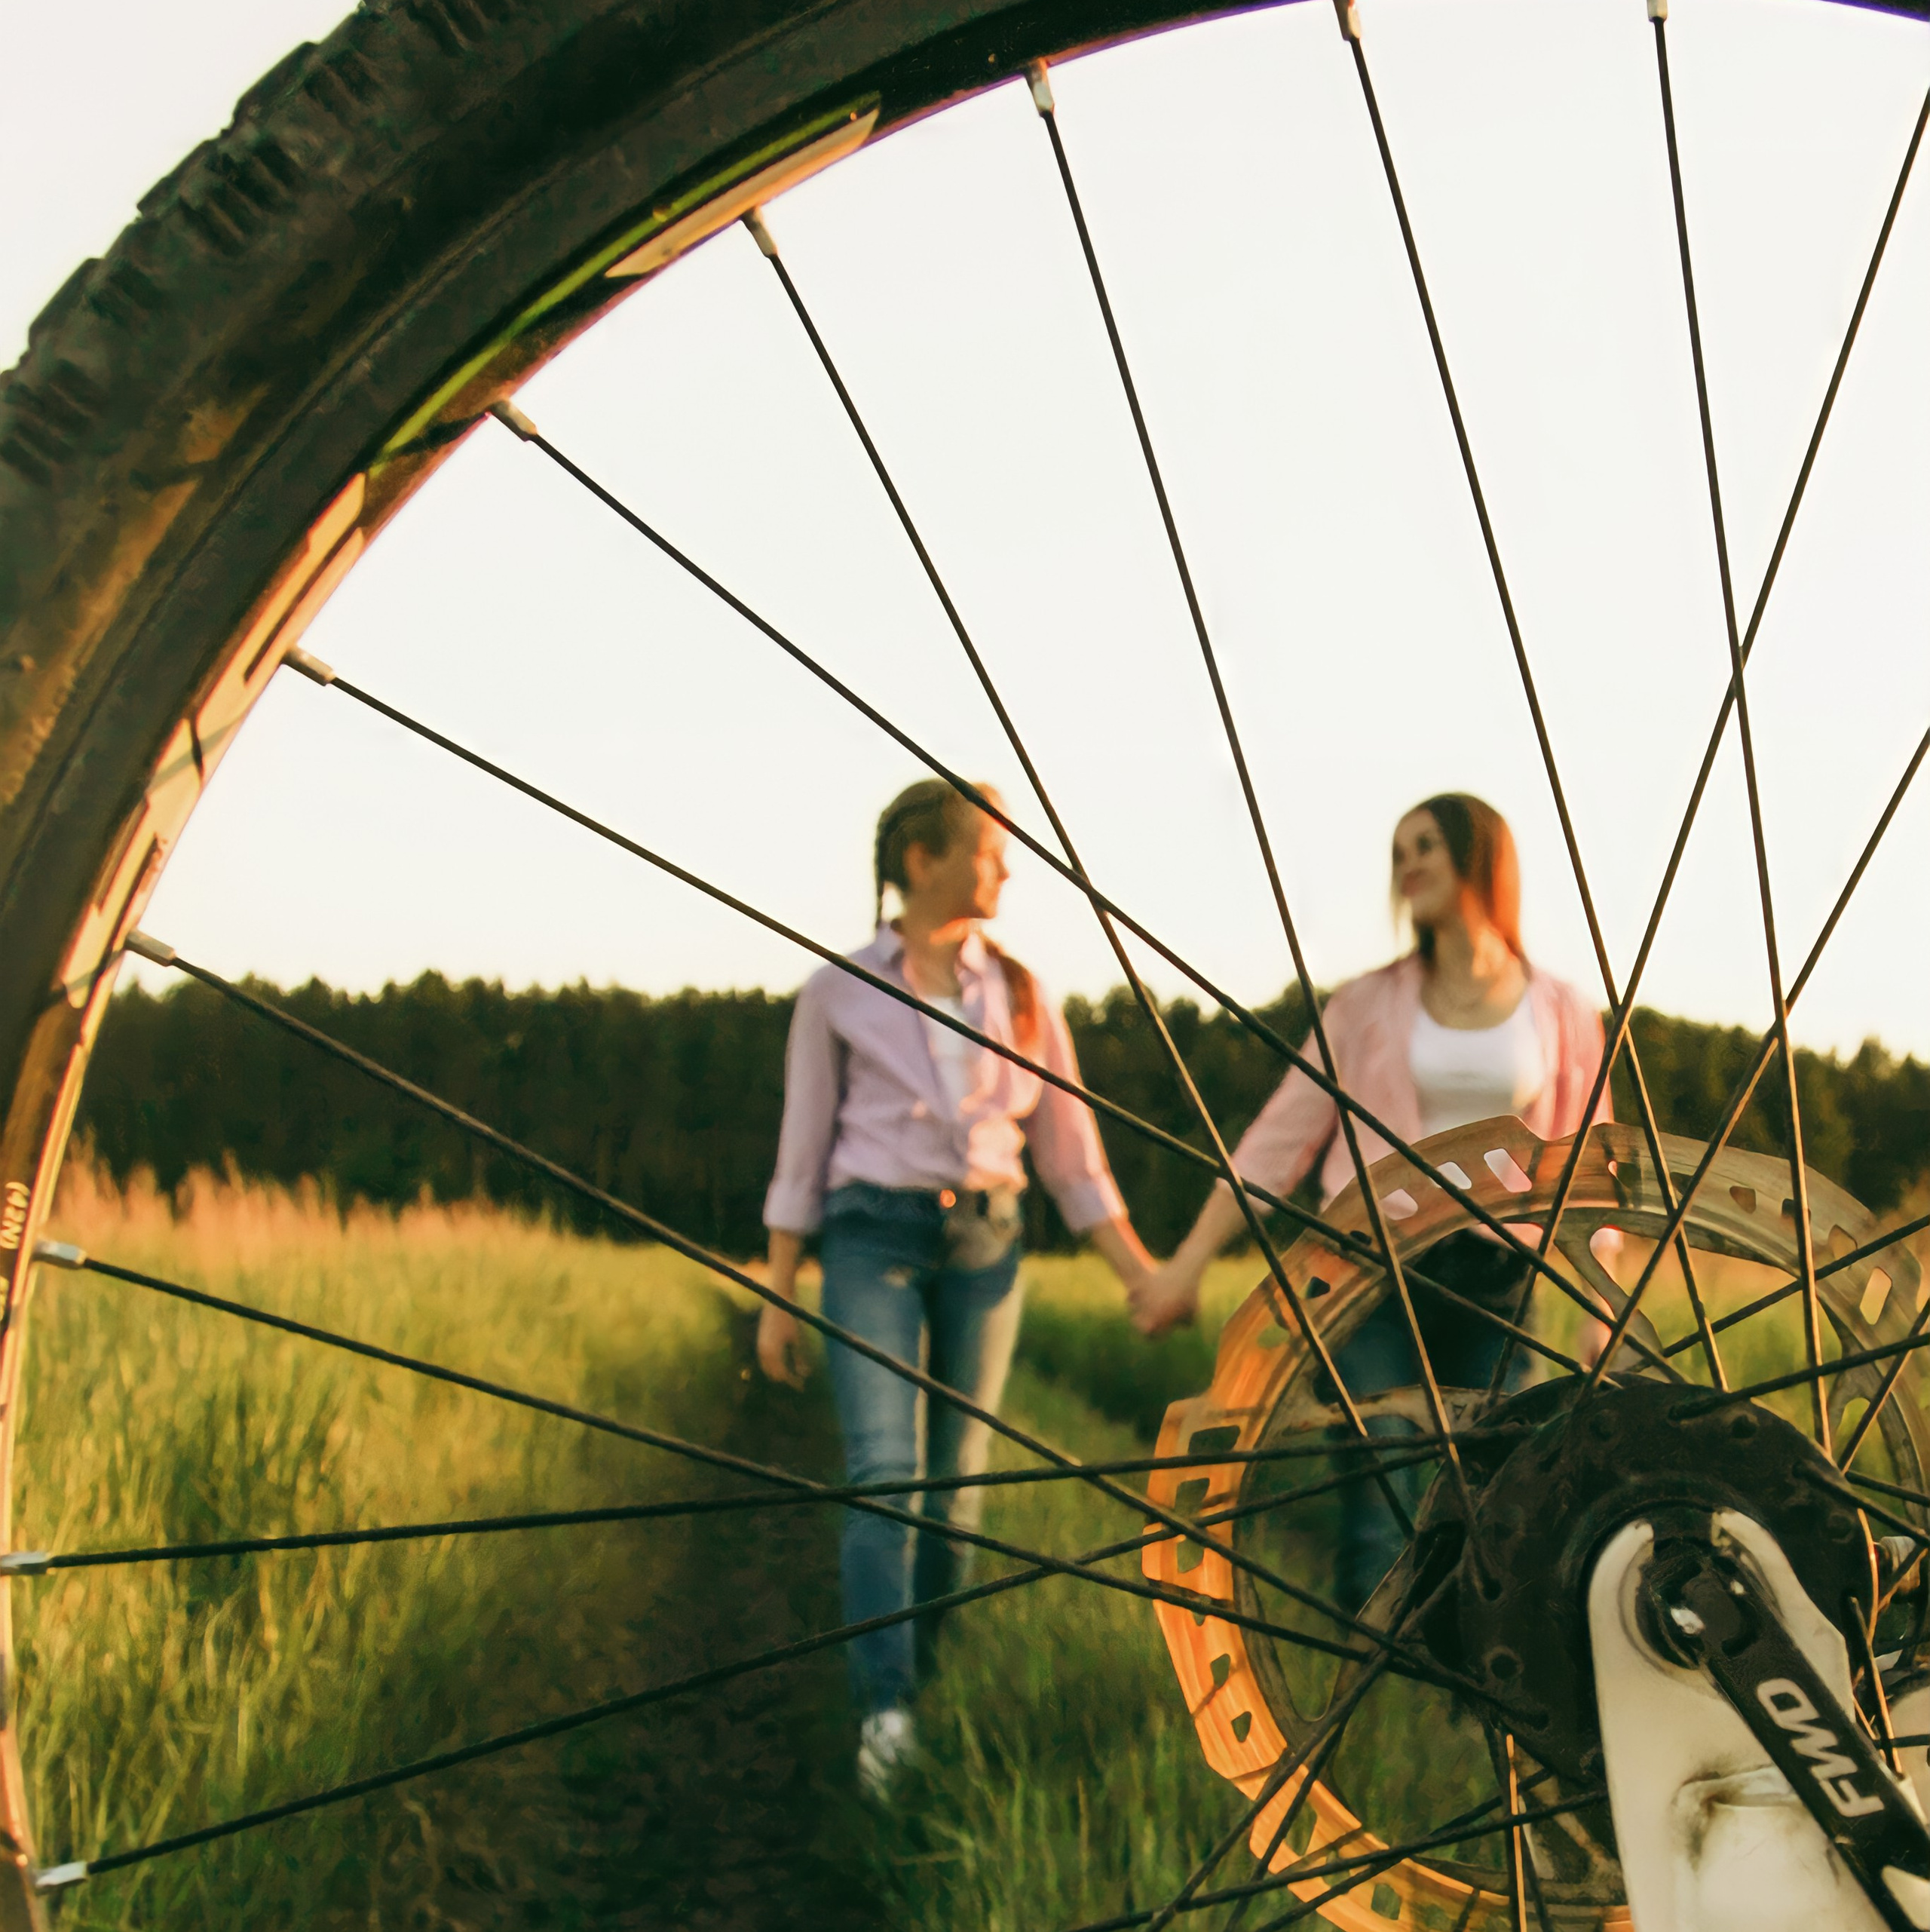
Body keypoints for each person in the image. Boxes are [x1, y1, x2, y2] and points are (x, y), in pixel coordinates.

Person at [757, 777, 1156, 1795]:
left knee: (960, 1493)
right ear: (923, 860)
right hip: (869, 1239)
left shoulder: (1022, 993)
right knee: (885, 1476)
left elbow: (1071, 1152)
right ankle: (885, 1712)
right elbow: (802, 1148)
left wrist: (1139, 1275)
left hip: (988, 1244)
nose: (1007, 864)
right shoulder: (837, 991)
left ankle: (928, 1680)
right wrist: (776, 1292)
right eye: (989, 846)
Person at [1132, 793, 1610, 1611]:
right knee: (1383, 1475)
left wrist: (1601, 1311)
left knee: (1491, 1491)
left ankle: (1470, 1695)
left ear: (1481, 857)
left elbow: (1588, 1170)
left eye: (1426, 846)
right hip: (1376, 1277)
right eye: (1398, 854)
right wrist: (1185, 1264)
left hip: (1500, 1284)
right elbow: (1278, 1141)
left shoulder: (1561, 1010)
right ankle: (1371, 1681)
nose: (1407, 867)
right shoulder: (1362, 1007)